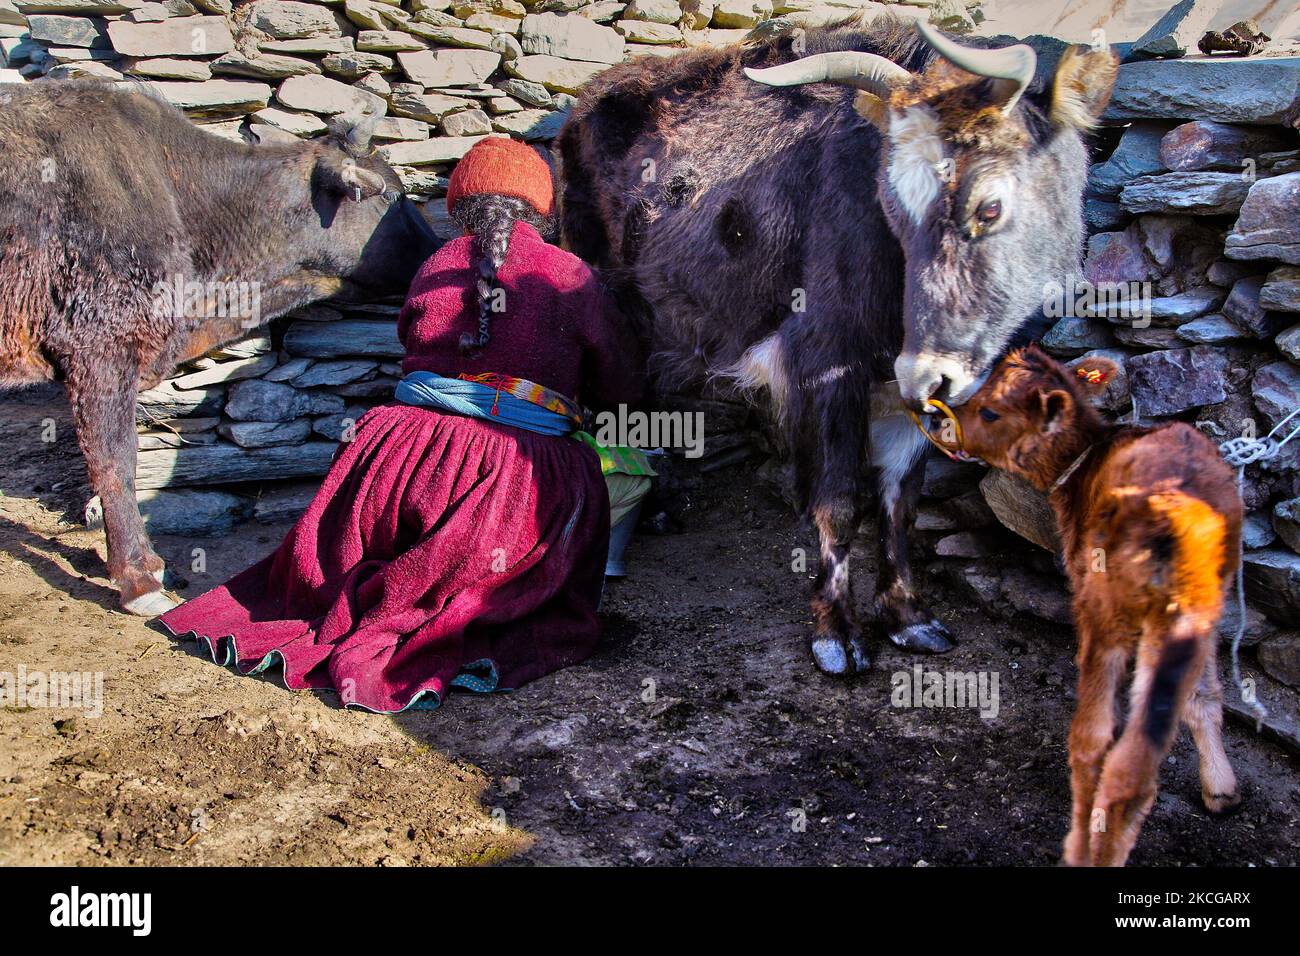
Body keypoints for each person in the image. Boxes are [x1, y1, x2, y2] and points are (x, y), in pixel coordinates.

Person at [157, 137, 644, 713]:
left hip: (392, 460)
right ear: (541, 207)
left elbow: (413, 344)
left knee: (361, 566)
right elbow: (622, 383)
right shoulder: (570, 276)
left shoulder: (434, 265)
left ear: (459, 204)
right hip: (506, 479)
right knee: (586, 477)